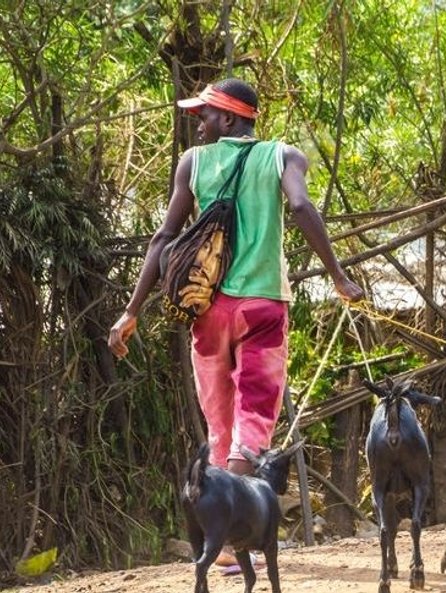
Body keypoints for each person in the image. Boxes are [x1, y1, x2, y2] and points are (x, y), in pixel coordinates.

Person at [108, 78, 363, 473]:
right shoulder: (284, 157)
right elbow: (300, 205)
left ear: (228, 119)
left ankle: (221, 525)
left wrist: (131, 311)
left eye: (203, 115)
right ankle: (239, 515)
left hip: (208, 309)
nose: (198, 125)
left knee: (219, 428)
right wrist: (339, 277)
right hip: (262, 308)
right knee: (254, 421)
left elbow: (164, 236)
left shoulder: (193, 163)